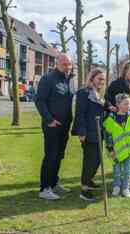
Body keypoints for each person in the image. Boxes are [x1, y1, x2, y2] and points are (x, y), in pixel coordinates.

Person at [35, 54, 75, 200]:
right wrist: (49, 119)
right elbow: (40, 101)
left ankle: (53, 183)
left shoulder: (69, 80)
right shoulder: (48, 79)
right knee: (50, 156)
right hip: (52, 125)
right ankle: (44, 188)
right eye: (64, 64)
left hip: (65, 126)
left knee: (59, 156)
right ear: (57, 63)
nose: (67, 66)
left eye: (69, 64)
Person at [71, 68, 106, 201]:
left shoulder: (98, 94)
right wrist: (82, 132)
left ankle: (89, 181)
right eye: (99, 79)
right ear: (91, 78)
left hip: (98, 132)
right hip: (88, 133)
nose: (102, 82)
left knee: (97, 160)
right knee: (89, 162)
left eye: (103, 79)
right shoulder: (83, 93)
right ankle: (84, 190)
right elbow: (80, 114)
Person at [103, 94, 130, 198]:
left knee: (128, 170)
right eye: (125, 103)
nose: (128, 106)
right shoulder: (111, 118)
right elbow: (108, 134)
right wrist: (110, 147)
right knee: (117, 170)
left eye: (129, 103)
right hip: (116, 150)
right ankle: (117, 186)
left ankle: (126, 188)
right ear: (118, 104)